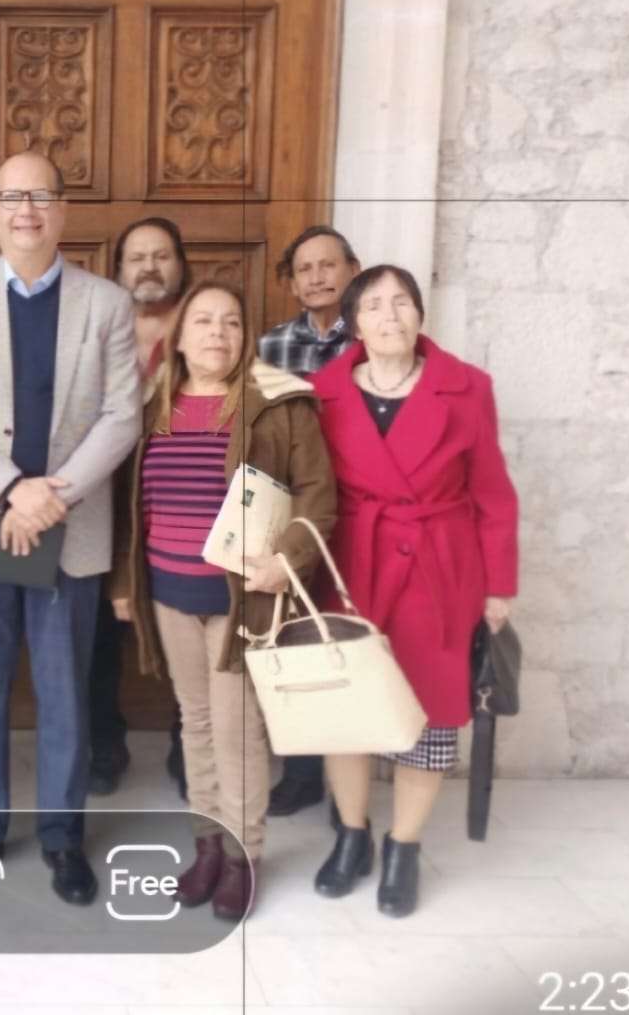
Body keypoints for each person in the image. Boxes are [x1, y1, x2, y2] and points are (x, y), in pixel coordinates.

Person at [0, 151, 140, 907]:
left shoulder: (106, 304)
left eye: (40, 196)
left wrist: (54, 494)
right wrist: (13, 488)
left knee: (63, 692)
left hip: (68, 527)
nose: (26, 210)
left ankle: (63, 838)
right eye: (12, 196)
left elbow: (122, 415)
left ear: (62, 210)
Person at [111, 280, 336, 922]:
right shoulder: (152, 406)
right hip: (169, 592)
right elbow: (132, 504)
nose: (218, 333)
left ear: (246, 337)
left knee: (237, 728)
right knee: (197, 722)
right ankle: (206, 845)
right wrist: (124, 583)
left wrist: (286, 560)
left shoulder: (276, 404)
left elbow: (318, 494)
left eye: (232, 322)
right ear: (179, 338)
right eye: (204, 321)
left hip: (242, 597)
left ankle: (242, 856)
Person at [309, 264, 518, 918]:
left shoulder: (467, 387)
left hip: (439, 567)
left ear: (420, 314)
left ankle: (403, 846)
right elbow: (307, 484)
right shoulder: (321, 391)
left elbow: (492, 493)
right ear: (353, 323)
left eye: (401, 301)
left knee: (429, 712)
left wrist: (499, 586)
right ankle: (352, 834)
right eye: (373, 305)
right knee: (345, 710)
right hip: (352, 565)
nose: (390, 314)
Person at [255, 224, 361, 818]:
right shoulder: (272, 347)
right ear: (291, 283)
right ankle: (300, 774)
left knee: (347, 639)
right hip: (299, 510)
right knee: (295, 638)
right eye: (305, 269)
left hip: (364, 509)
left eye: (328, 265)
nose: (317, 277)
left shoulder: (371, 336)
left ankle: (350, 780)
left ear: (352, 270)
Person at [92, 216, 193, 797]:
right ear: (118, 271)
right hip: (102, 506)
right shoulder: (96, 331)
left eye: (161, 255)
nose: (149, 267)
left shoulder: (205, 327)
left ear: (180, 264)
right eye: (136, 257)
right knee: (96, 636)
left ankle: (189, 742)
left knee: (189, 628)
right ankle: (103, 743)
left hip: (180, 506)